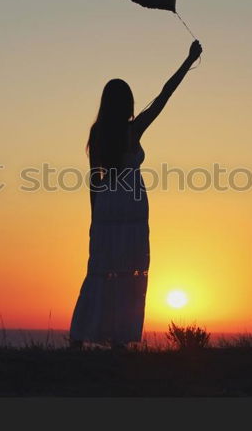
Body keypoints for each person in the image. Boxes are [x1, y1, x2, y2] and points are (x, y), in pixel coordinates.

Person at [69, 40, 203, 347]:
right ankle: (118, 337)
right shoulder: (133, 130)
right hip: (129, 205)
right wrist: (188, 60)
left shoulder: (97, 132)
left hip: (106, 205)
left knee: (101, 267)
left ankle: (81, 335)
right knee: (127, 270)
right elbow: (163, 96)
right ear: (126, 103)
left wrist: (94, 219)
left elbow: (94, 179)